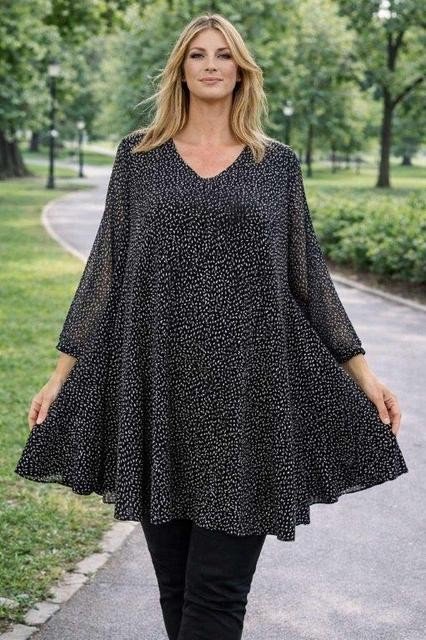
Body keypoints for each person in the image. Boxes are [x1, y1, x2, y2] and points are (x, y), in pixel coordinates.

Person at [15, 12, 408, 640]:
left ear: (241, 71)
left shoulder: (275, 165)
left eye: (224, 55)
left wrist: (362, 373)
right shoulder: (138, 158)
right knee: (176, 590)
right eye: (198, 54)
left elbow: (308, 276)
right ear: (181, 70)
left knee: (217, 595)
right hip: (158, 394)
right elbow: (105, 273)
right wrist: (61, 375)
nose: (211, 65)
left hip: (247, 402)